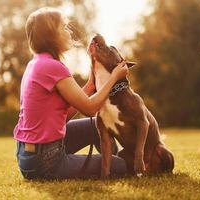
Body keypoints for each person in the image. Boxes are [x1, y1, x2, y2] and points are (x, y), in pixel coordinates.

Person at [13, 7, 128, 180]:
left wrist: (90, 85)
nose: (68, 32)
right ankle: (113, 165)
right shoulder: (53, 67)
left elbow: (62, 116)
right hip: (46, 161)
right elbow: (90, 108)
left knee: (97, 125)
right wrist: (114, 77)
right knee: (120, 165)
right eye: (64, 28)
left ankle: (110, 162)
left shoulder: (36, 64)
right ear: (51, 35)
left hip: (27, 156)